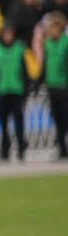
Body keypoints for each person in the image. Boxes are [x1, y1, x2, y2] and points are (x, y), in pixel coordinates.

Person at [0, 25, 28, 162]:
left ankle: (21, 148)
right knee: (3, 123)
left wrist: (26, 88)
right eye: (6, 34)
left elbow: (24, 70)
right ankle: (5, 150)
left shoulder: (19, 48)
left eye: (10, 34)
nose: (8, 36)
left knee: (19, 122)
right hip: (3, 90)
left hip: (17, 89)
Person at [36, 12, 68, 159]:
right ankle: (62, 149)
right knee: (58, 121)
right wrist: (37, 83)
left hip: (64, 88)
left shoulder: (65, 43)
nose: (52, 31)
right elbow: (45, 66)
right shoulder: (47, 44)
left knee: (65, 119)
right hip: (52, 88)